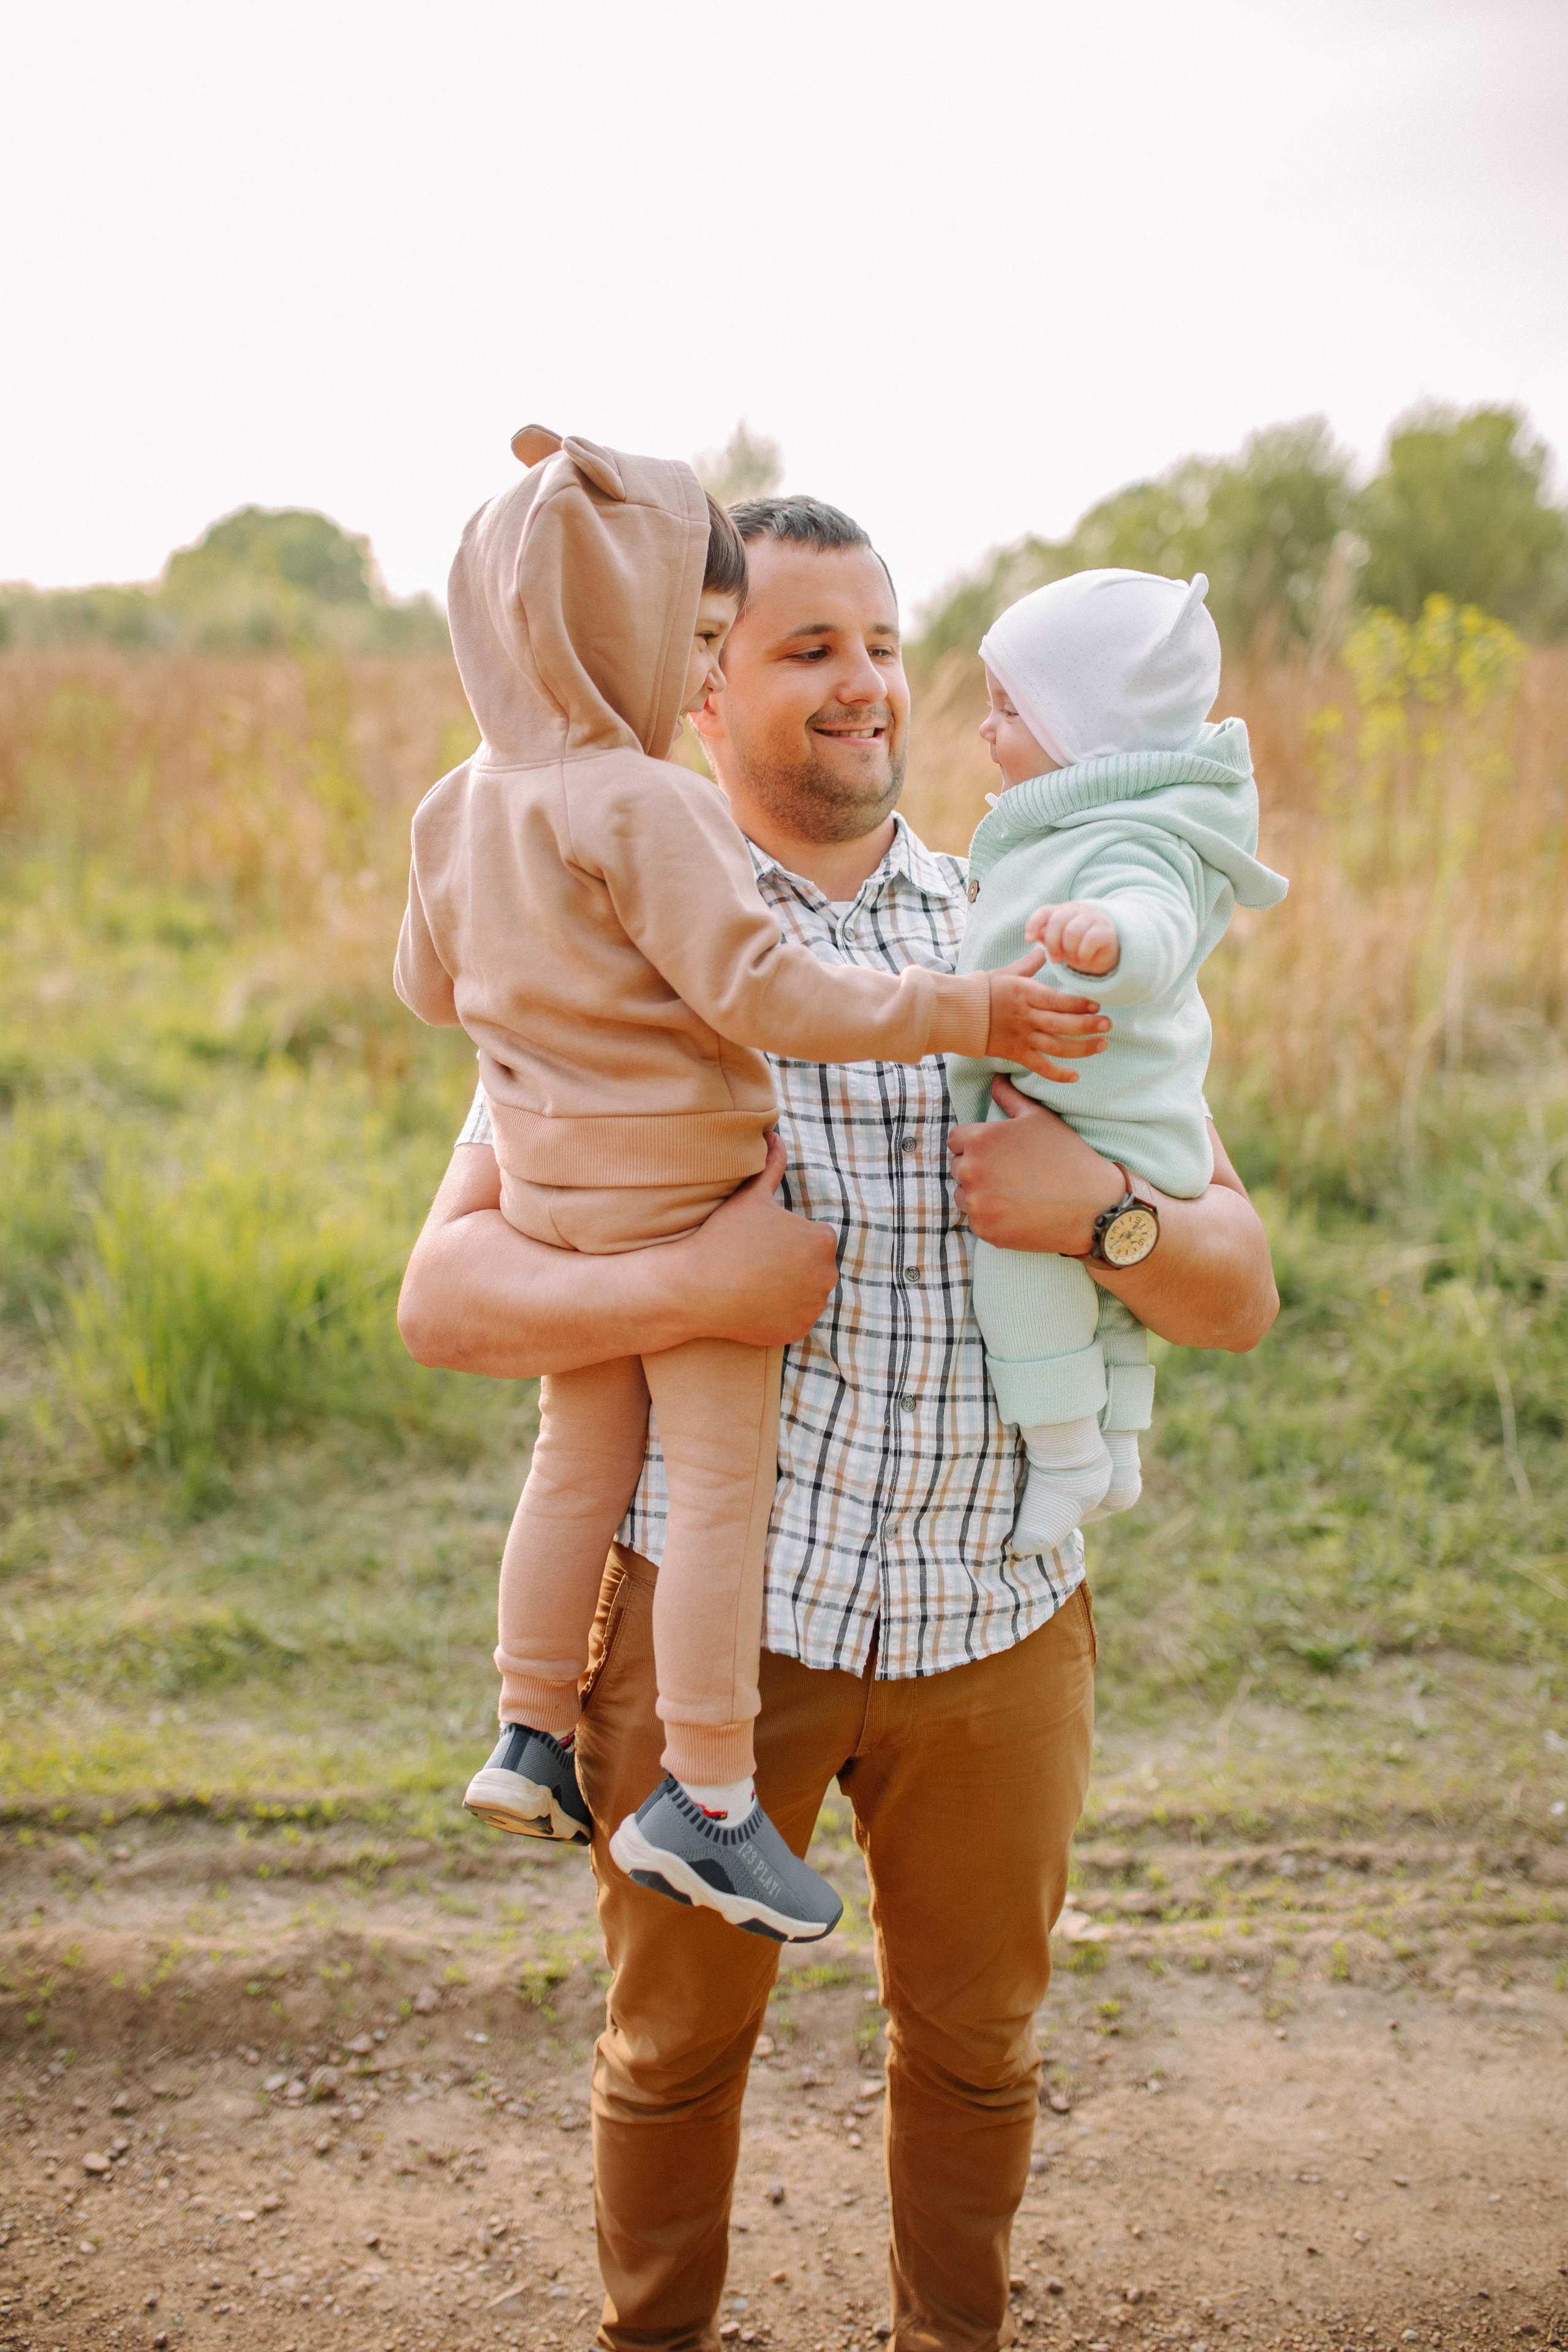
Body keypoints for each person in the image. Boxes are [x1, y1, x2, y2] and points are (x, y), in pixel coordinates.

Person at [397, 492, 1279, 2352]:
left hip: (1000, 1624)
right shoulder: (625, 938)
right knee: (669, 2054)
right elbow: (448, 1297)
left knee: (977, 2052)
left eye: (884, 644)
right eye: (809, 648)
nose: (866, 683)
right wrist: (690, 1295)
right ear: (700, 691)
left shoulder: (1035, 936)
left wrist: (1102, 1215)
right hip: (730, 1631)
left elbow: (1238, 1285)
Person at [393, 429, 1100, 1945]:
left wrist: (554, 1049)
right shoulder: (652, 813)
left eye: (885, 646)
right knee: (718, 1484)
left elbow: (433, 987)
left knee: (571, 1460)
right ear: (674, 664)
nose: (867, 681)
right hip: (689, 1199)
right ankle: (707, 1798)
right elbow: (769, 990)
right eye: (743, 642)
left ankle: (525, 1732)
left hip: (562, 1183)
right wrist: (958, 1009)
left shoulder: (458, 806)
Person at [948, 567, 1289, 1555]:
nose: (985, 728)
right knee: (1105, 1313)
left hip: (1099, 1123)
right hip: (1115, 1115)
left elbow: (1158, 920)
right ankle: (1121, 1443)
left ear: (1085, 732)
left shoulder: (1125, 837)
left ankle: (1066, 1455)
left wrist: (1107, 940)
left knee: (1022, 1272)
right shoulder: (1068, 836)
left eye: (1009, 707)